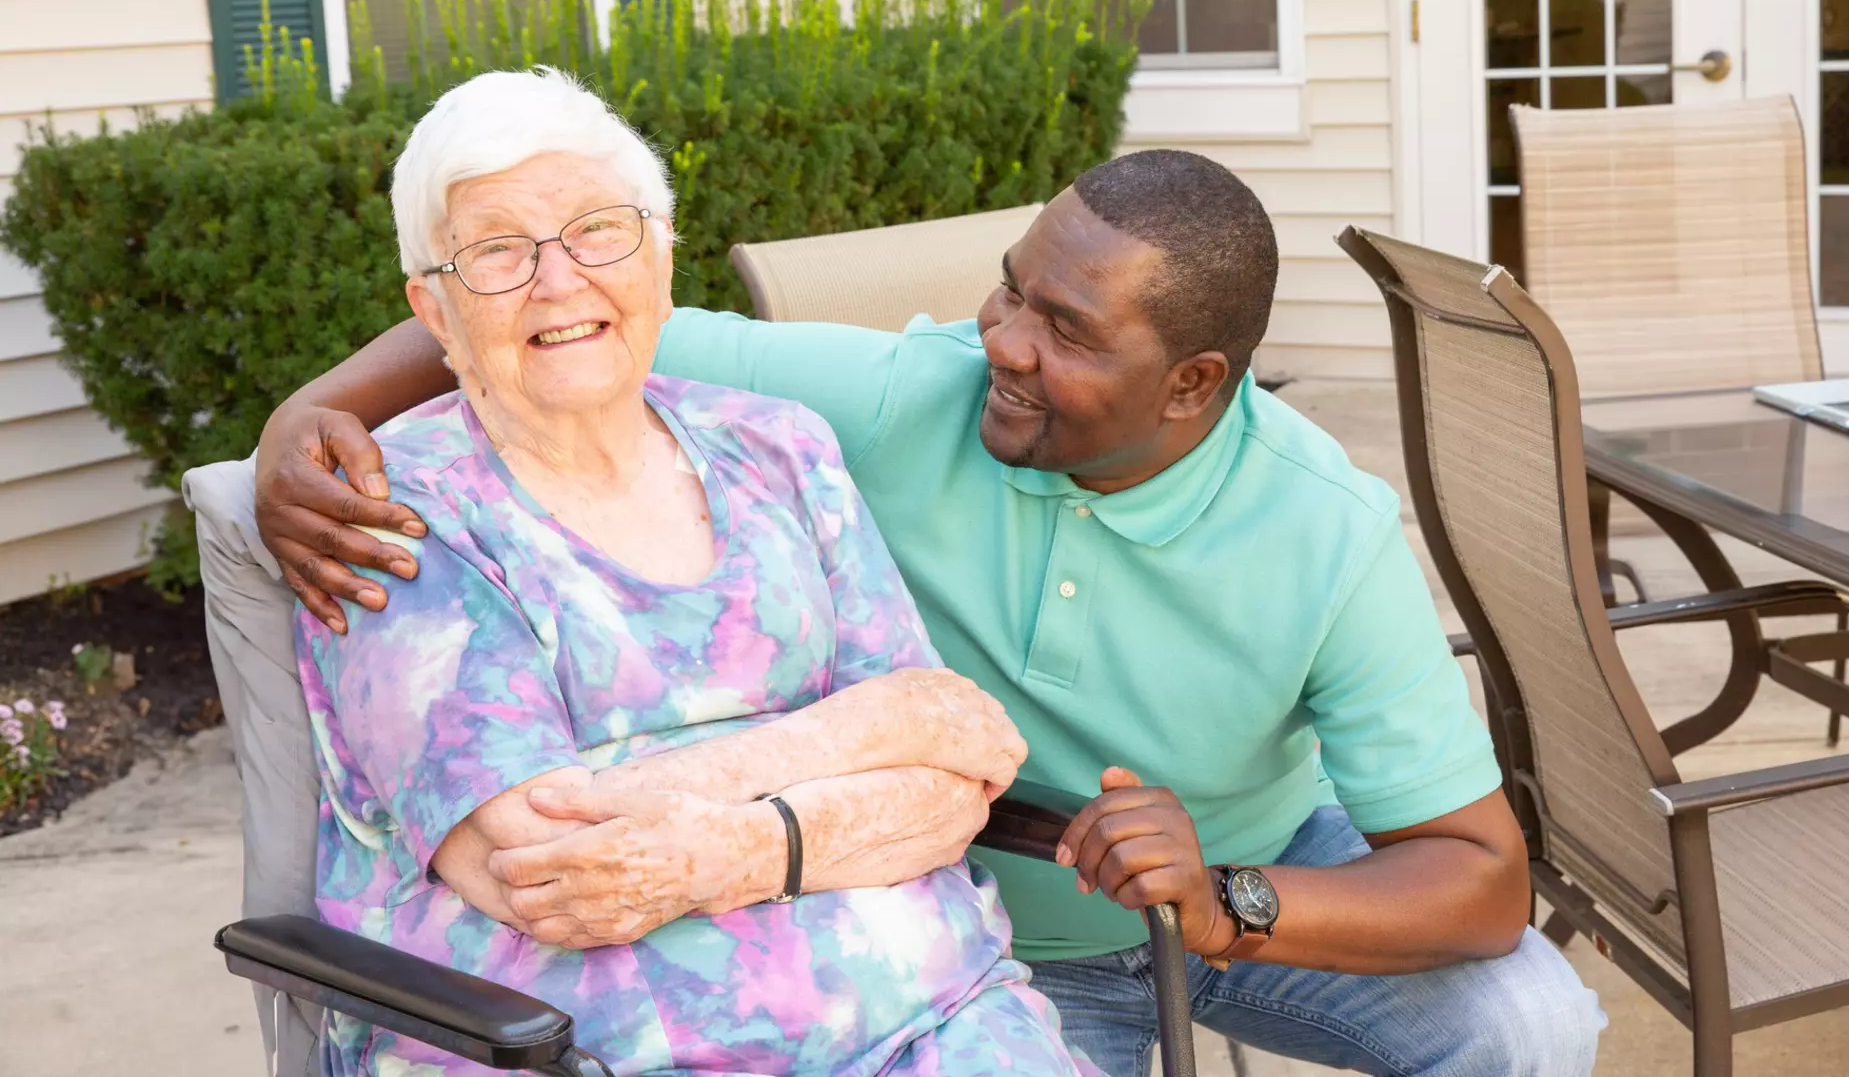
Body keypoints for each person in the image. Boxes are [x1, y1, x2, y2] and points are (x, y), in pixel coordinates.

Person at [257, 131, 1606, 1076]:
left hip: (1232, 896)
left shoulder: (1325, 531)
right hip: (983, 924)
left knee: (1527, 1027)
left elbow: (1478, 880)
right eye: (1010, 291)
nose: (1004, 346)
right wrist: (312, 413)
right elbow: (585, 320)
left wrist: (1226, 900)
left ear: (1193, 383)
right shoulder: (917, 394)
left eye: (1066, 333)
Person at [296, 68, 1092, 1076]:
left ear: (662, 260)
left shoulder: (779, 448)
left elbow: (952, 779)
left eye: (598, 229)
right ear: (437, 313)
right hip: (601, 1052)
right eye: (497, 249)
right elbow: (545, 864)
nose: (557, 279)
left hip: (939, 1021)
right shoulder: (395, 515)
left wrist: (715, 835)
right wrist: (861, 744)